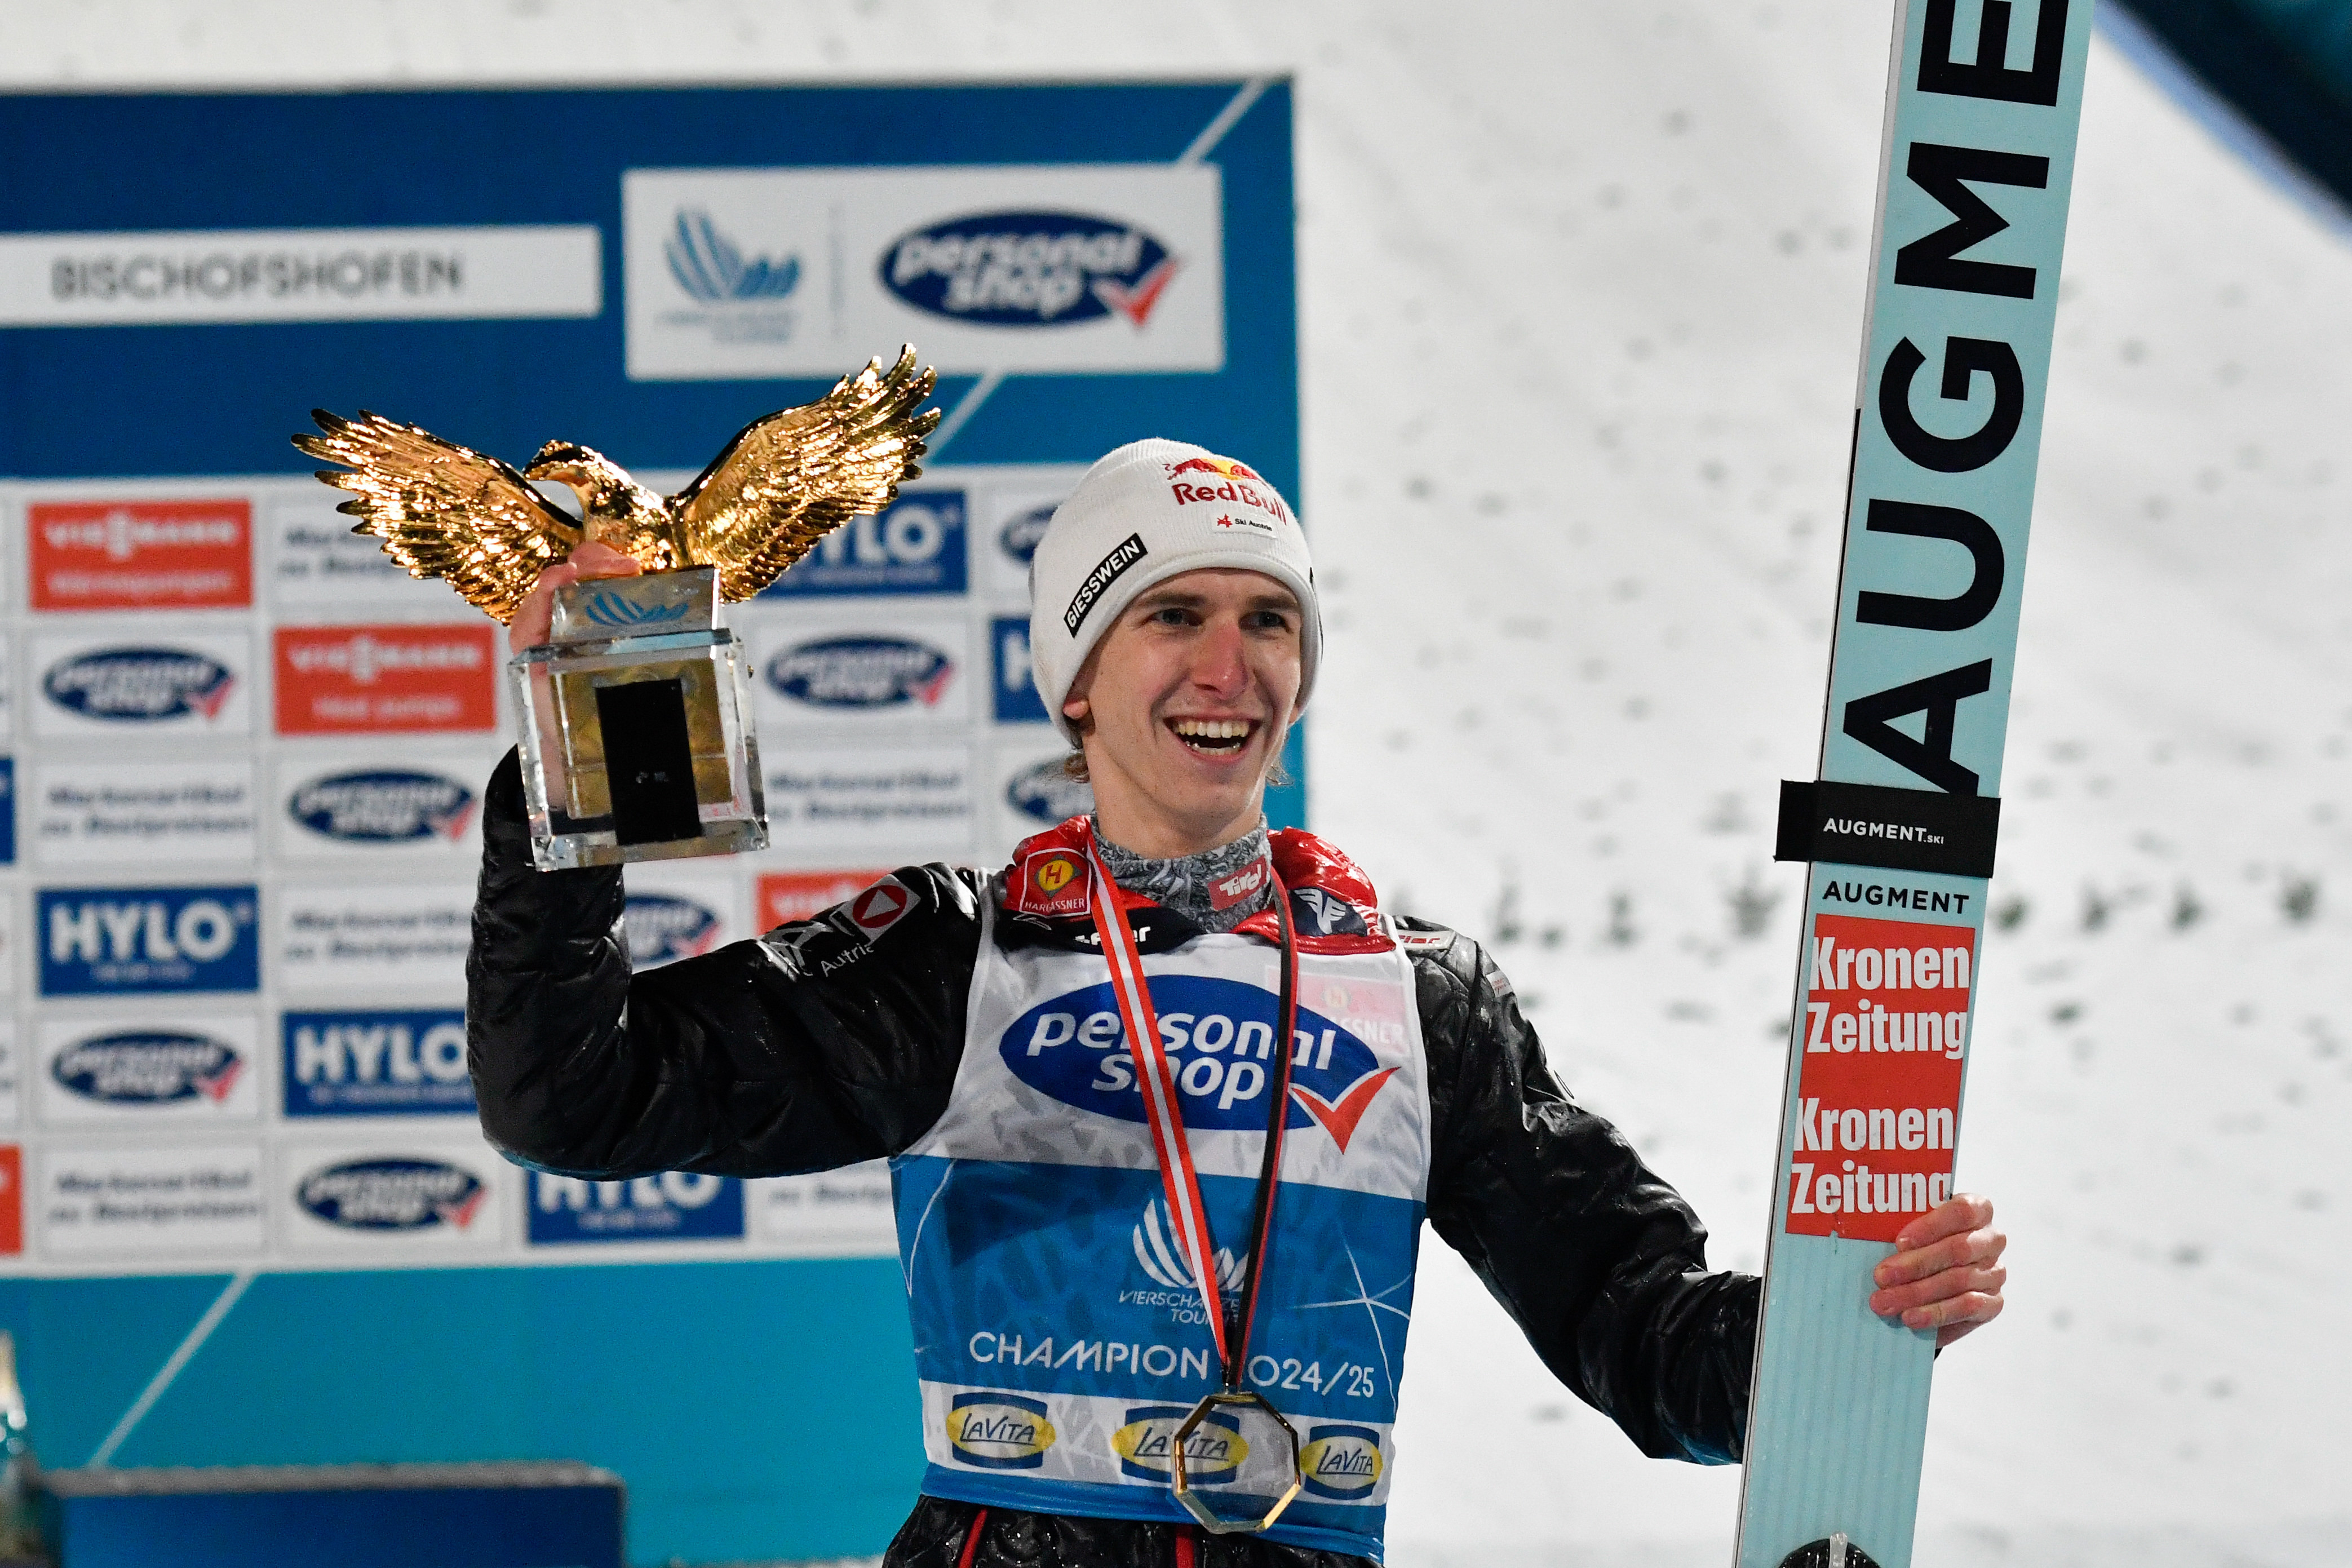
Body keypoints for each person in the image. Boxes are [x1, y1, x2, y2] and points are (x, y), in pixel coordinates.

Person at [467, 439, 2007, 1568]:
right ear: (1074, 679)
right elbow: (574, 1097)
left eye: (1268, 620)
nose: (1228, 664)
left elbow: (1640, 1336)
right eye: (1171, 615)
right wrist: (577, 754)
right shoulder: (954, 958)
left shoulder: (1417, 994)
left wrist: (1838, 1326)